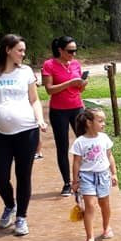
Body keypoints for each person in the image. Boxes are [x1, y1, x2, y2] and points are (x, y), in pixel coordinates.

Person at [0, 34, 48, 237]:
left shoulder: (26, 72)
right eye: (20, 50)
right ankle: (9, 205)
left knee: (23, 176)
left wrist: (39, 119)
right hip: (0, 133)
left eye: (24, 50)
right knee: (0, 176)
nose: (23, 54)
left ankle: (21, 217)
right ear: (7, 50)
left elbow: (34, 99)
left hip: (27, 131)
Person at [42, 36, 87, 196]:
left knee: (84, 143)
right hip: (59, 110)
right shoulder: (49, 65)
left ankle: (84, 179)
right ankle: (67, 183)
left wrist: (81, 85)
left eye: (75, 50)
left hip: (77, 107)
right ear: (60, 50)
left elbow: (78, 90)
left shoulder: (75, 64)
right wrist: (69, 83)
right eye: (70, 51)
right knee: (62, 147)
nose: (73, 54)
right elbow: (49, 89)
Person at [71, 108, 117, 241]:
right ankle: (90, 238)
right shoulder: (80, 142)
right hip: (86, 176)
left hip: (103, 175)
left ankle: (106, 227)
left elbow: (109, 156)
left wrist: (114, 173)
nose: (103, 124)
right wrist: (75, 181)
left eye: (104, 121)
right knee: (90, 205)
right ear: (89, 123)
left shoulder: (104, 138)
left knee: (104, 203)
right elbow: (76, 162)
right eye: (100, 121)